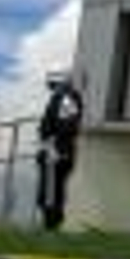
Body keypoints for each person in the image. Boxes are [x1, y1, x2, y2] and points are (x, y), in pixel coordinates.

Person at [36, 70, 84, 230]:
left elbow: (68, 124)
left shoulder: (66, 96)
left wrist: (54, 147)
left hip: (56, 151)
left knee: (52, 190)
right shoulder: (64, 96)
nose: (50, 87)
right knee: (52, 190)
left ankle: (51, 225)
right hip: (56, 149)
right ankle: (51, 224)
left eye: (51, 83)